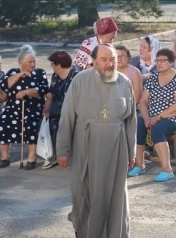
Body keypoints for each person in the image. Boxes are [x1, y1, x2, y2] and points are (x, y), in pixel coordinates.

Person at [56, 44, 137, 238]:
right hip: (86, 146)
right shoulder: (80, 81)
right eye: (104, 59)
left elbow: (131, 120)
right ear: (93, 61)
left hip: (116, 149)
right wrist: (62, 150)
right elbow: (67, 118)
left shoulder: (124, 82)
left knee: (115, 196)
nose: (110, 64)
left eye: (113, 60)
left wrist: (131, 152)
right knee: (84, 195)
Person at [128, 49, 176, 181]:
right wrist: (145, 118)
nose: (160, 63)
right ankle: (139, 165)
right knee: (139, 125)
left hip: (174, 116)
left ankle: (167, 170)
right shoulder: (153, 78)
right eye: (158, 60)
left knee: (158, 129)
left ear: (172, 62)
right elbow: (143, 101)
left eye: (163, 60)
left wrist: (158, 117)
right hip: (152, 116)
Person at [0, 45, 48, 170]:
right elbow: (3, 85)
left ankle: (31, 158)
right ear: (21, 62)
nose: (32, 64)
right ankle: (4, 157)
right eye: (29, 62)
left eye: (34, 61)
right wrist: (19, 75)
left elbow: (43, 89)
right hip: (13, 109)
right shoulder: (13, 72)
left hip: (33, 109)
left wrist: (27, 92)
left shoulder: (40, 73)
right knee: (3, 123)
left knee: (31, 124)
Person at [42, 51, 80, 169]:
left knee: (62, 124)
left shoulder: (76, 76)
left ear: (59, 64)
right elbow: (51, 93)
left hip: (73, 111)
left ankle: (67, 154)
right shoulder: (55, 76)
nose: (51, 66)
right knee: (46, 122)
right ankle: (53, 155)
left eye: (53, 63)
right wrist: (46, 108)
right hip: (58, 110)